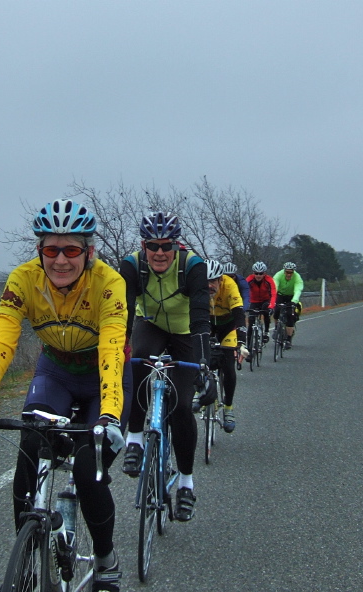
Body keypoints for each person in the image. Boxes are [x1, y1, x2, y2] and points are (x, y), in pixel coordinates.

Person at [0, 199, 130, 592]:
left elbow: (113, 349)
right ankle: (28, 561)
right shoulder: (23, 280)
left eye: (71, 250)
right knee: (30, 444)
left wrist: (110, 415)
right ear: (39, 251)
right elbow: (0, 341)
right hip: (57, 372)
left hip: (104, 376)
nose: (60, 260)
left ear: (89, 252)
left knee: (87, 469)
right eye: (51, 250)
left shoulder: (110, 283)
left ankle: (105, 558)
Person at [119, 211, 211, 522]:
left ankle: (185, 483)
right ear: (143, 246)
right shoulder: (132, 265)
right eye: (153, 246)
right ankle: (135, 438)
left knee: (183, 407)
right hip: (152, 325)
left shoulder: (193, 267)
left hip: (186, 332)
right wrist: (116, 353)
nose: (160, 253)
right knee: (137, 361)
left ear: (177, 245)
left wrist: (203, 364)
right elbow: (124, 312)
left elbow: (200, 315)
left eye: (166, 246)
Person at [201, 259, 249, 432]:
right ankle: (201, 392)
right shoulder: (198, 287)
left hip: (228, 327)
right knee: (198, 357)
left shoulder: (230, 286)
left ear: (221, 280)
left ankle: (228, 408)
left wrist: (242, 342)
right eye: (205, 281)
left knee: (228, 366)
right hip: (207, 324)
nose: (209, 285)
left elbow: (239, 315)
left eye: (213, 281)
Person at [245, 261, 277, 349]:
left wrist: (271, 306)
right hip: (254, 301)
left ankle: (266, 331)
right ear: (253, 273)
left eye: (261, 273)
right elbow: (243, 292)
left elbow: (273, 293)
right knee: (251, 322)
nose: (258, 275)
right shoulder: (249, 279)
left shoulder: (269, 280)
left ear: (264, 274)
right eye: (256, 273)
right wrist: (243, 305)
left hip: (265, 300)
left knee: (266, 311)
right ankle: (249, 347)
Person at [272, 261, 304, 349]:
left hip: (291, 297)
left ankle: (288, 339)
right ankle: (276, 327)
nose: (289, 274)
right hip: (280, 295)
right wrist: (273, 300)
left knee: (290, 315)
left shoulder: (297, 278)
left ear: (293, 272)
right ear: (284, 271)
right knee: (276, 311)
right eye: (287, 272)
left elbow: (298, 290)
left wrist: (294, 301)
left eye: (291, 272)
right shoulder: (278, 275)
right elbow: (275, 286)